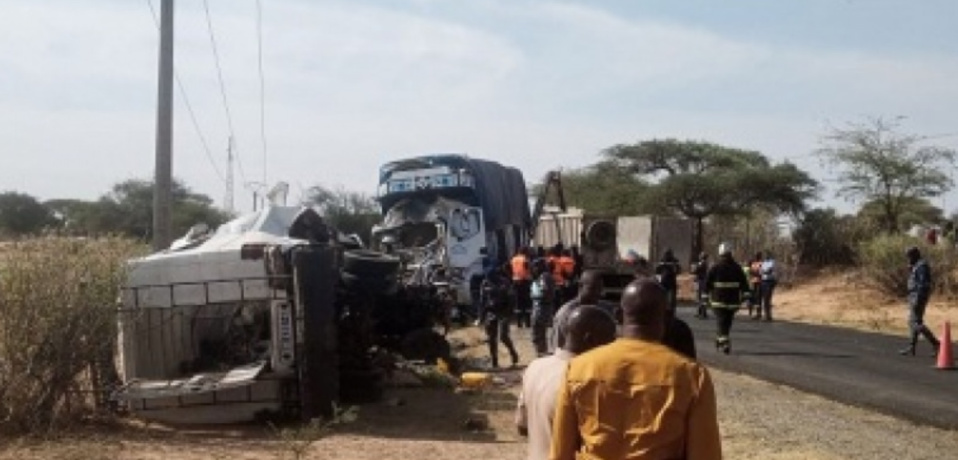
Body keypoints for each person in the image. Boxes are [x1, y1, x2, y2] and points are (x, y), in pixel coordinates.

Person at [550, 279, 722, 460]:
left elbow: (560, 450)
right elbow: (705, 453)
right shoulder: (691, 375)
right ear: (666, 318)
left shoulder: (579, 368)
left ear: (618, 315)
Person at [516, 306, 617, 460]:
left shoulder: (535, 366)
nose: (612, 348)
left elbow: (522, 426)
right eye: (609, 340)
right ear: (590, 339)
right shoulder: (586, 381)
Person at [705, 243, 750, 354]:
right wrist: (746, 296)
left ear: (720, 253)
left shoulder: (715, 267)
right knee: (726, 322)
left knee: (722, 322)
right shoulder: (737, 268)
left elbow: (707, 285)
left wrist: (704, 298)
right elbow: (744, 284)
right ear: (731, 253)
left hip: (718, 301)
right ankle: (723, 341)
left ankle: (721, 340)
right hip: (732, 302)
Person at [550, 270, 605, 351]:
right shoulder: (566, 313)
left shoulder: (600, 311)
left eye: (600, 289)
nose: (598, 293)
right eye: (593, 288)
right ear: (580, 286)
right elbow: (558, 346)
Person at [900, 246, 940, 356]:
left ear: (914, 256)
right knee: (914, 321)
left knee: (915, 323)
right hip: (914, 295)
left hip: (918, 296)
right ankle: (912, 346)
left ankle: (936, 343)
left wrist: (918, 297)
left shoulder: (922, 266)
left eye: (909, 256)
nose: (908, 259)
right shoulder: (916, 266)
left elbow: (923, 284)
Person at [479, 268, 520, 368]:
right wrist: (481, 316)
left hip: (503, 312)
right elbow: (482, 301)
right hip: (491, 312)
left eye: (491, 278)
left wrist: (510, 313)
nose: (489, 280)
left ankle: (513, 352)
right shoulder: (485, 283)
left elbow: (512, 298)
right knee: (491, 338)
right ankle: (494, 361)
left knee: (503, 336)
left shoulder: (504, 282)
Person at [530, 261, 556, 356]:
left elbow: (545, 292)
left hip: (541, 309)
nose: (534, 270)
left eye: (535, 267)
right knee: (539, 334)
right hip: (541, 308)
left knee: (537, 334)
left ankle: (541, 354)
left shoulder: (544, 277)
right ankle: (542, 353)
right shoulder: (544, 277)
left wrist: (533, 295)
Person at [511, 247, 534, 329]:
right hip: (525, 282)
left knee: (518, 303)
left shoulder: (513, 259)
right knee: (527, 302)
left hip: (516, 282)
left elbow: (510, 269)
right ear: (525, 252)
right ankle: (528, 323)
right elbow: (529, 269)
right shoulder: (525, 259)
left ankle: (519, 323)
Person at [759, 251, 779, 322]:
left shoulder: (772, 262)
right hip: (764, 281)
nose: (765, 256)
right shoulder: (764, 262)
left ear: (770, 255)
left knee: (767, 298)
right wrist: (762, 271)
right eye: (764, 255)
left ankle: (768, 316)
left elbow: (769, 271)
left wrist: (763, 271)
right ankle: (767, 315)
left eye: (767, 255)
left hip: (770, 281)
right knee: (764, 299)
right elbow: (760, 271)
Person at [693, 252, 710, 319]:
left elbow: (696, 271)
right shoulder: (704, 263)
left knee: (701, 298)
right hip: (702, 281)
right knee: (701, 298)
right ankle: (700, 312)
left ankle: (703, 313)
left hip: (701, 282)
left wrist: (695, 267)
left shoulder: (702, 263)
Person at [747, 252, 763, 319]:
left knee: (758, 297)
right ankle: (750, 312)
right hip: (752, 282)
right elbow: (750, 271)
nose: (755, 257)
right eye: (755, 256)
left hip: (759, 282)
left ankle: (758, 313)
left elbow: (761, 272)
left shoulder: (761, 263)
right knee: (752, 297)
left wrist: (755, 272)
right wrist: (753, 272)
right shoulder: (753, 263)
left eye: (757, 256)